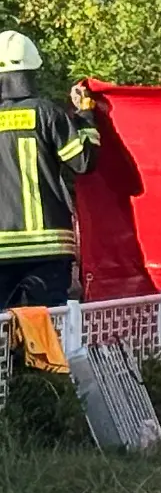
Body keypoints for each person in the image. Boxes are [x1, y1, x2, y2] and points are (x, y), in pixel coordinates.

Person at [0, 32, 100, 309]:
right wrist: (85, 116)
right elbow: (83, 162)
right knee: (47, 329)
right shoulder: (46, 113)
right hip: (48, 249)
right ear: (32, 71)